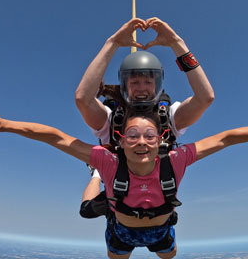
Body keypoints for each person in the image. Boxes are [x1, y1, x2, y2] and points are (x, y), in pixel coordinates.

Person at [0, 97, 248, 259]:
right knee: (107, 242)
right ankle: (95, 180)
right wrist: (5, 123)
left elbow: (227, 138)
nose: (142, 142)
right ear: (120, 139)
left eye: (149, 135)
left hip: (160, 229)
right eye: (133, 135)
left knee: (168, 257)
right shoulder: (107, 158)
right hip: (121, 229)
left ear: (161, 138)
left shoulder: (176, 159)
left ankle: (116, 202)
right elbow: (55, 137)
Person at [75, 17, 215, 211]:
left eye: (148, 82)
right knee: (89, 211)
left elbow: (205, 97)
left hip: (158, 200)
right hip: (118, 197)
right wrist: (112, 44)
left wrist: (177, 44)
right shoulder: (110, 120)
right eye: (134, 82)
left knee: (165, 237)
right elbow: (83, 99)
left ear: (158, 84)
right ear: (124, 85)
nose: (141, 88)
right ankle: (97, 174)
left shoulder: (169, 117)